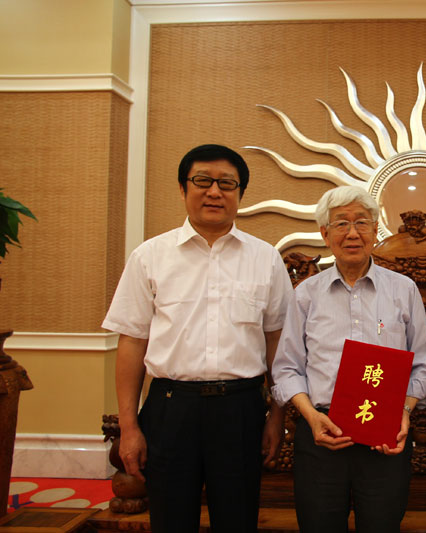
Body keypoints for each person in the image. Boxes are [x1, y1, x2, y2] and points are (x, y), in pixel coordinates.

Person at [103, 144, 293, 532]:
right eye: (202, 181)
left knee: (238, 518)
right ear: (182, 188)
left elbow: (278, 342)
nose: (214, 192)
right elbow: (133, 342)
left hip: (241, 410)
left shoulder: (265, 259)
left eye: (227, 183)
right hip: (170, 409)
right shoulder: (149, 256)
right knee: (170, 519)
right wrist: (129, 426)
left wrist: (277, 416)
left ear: (240, 193)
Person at [271, 186, 426, 533]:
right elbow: (286, 369)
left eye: (361, 222)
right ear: (324, 234)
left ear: (375, 231)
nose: (352, 233)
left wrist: (404, 412)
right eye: (341, 223)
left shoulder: (403, 289)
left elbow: (423, 365)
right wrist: (311, 416)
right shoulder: (306, 294)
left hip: (385, 437)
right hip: (321, 434)